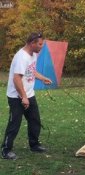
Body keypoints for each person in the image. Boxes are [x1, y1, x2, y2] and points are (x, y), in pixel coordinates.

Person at [1, 32, 52, 160]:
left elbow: (31, 70)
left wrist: (43, 78)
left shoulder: (33, 54)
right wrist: (23, 97)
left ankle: (34, 145)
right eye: (40, 44)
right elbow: (16, 78)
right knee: (15, 123)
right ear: (32, 43)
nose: (41, 46)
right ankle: (6, 150)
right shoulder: (21, 57)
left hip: (29, 94)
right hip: (16, 96)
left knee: (35, 120)